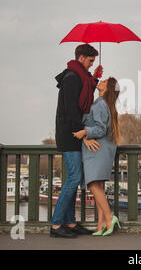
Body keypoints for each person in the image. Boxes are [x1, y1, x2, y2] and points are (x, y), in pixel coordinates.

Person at [51, 43, 103, 238]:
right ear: (81, 58)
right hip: (70, 134)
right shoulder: (72, 78)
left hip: (73, 133)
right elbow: (72, 111)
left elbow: (86, 93)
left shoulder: (77, 76)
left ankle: (70, 222)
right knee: (74, 178)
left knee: (75, 178)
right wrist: (84, 134)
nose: (91, 64)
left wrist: (95, 76)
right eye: (90, 61)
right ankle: (56, 225)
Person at [73, 77, 121, 236]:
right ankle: (101, 226)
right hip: (104, 150)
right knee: (98, 186)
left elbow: (100, 129)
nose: (101, 81)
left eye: (104, 81)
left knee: (93, 185)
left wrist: (85, 132)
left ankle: (109, 217)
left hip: (97, 150)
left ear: (107, 88)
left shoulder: (100, 104)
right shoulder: (106, 105)